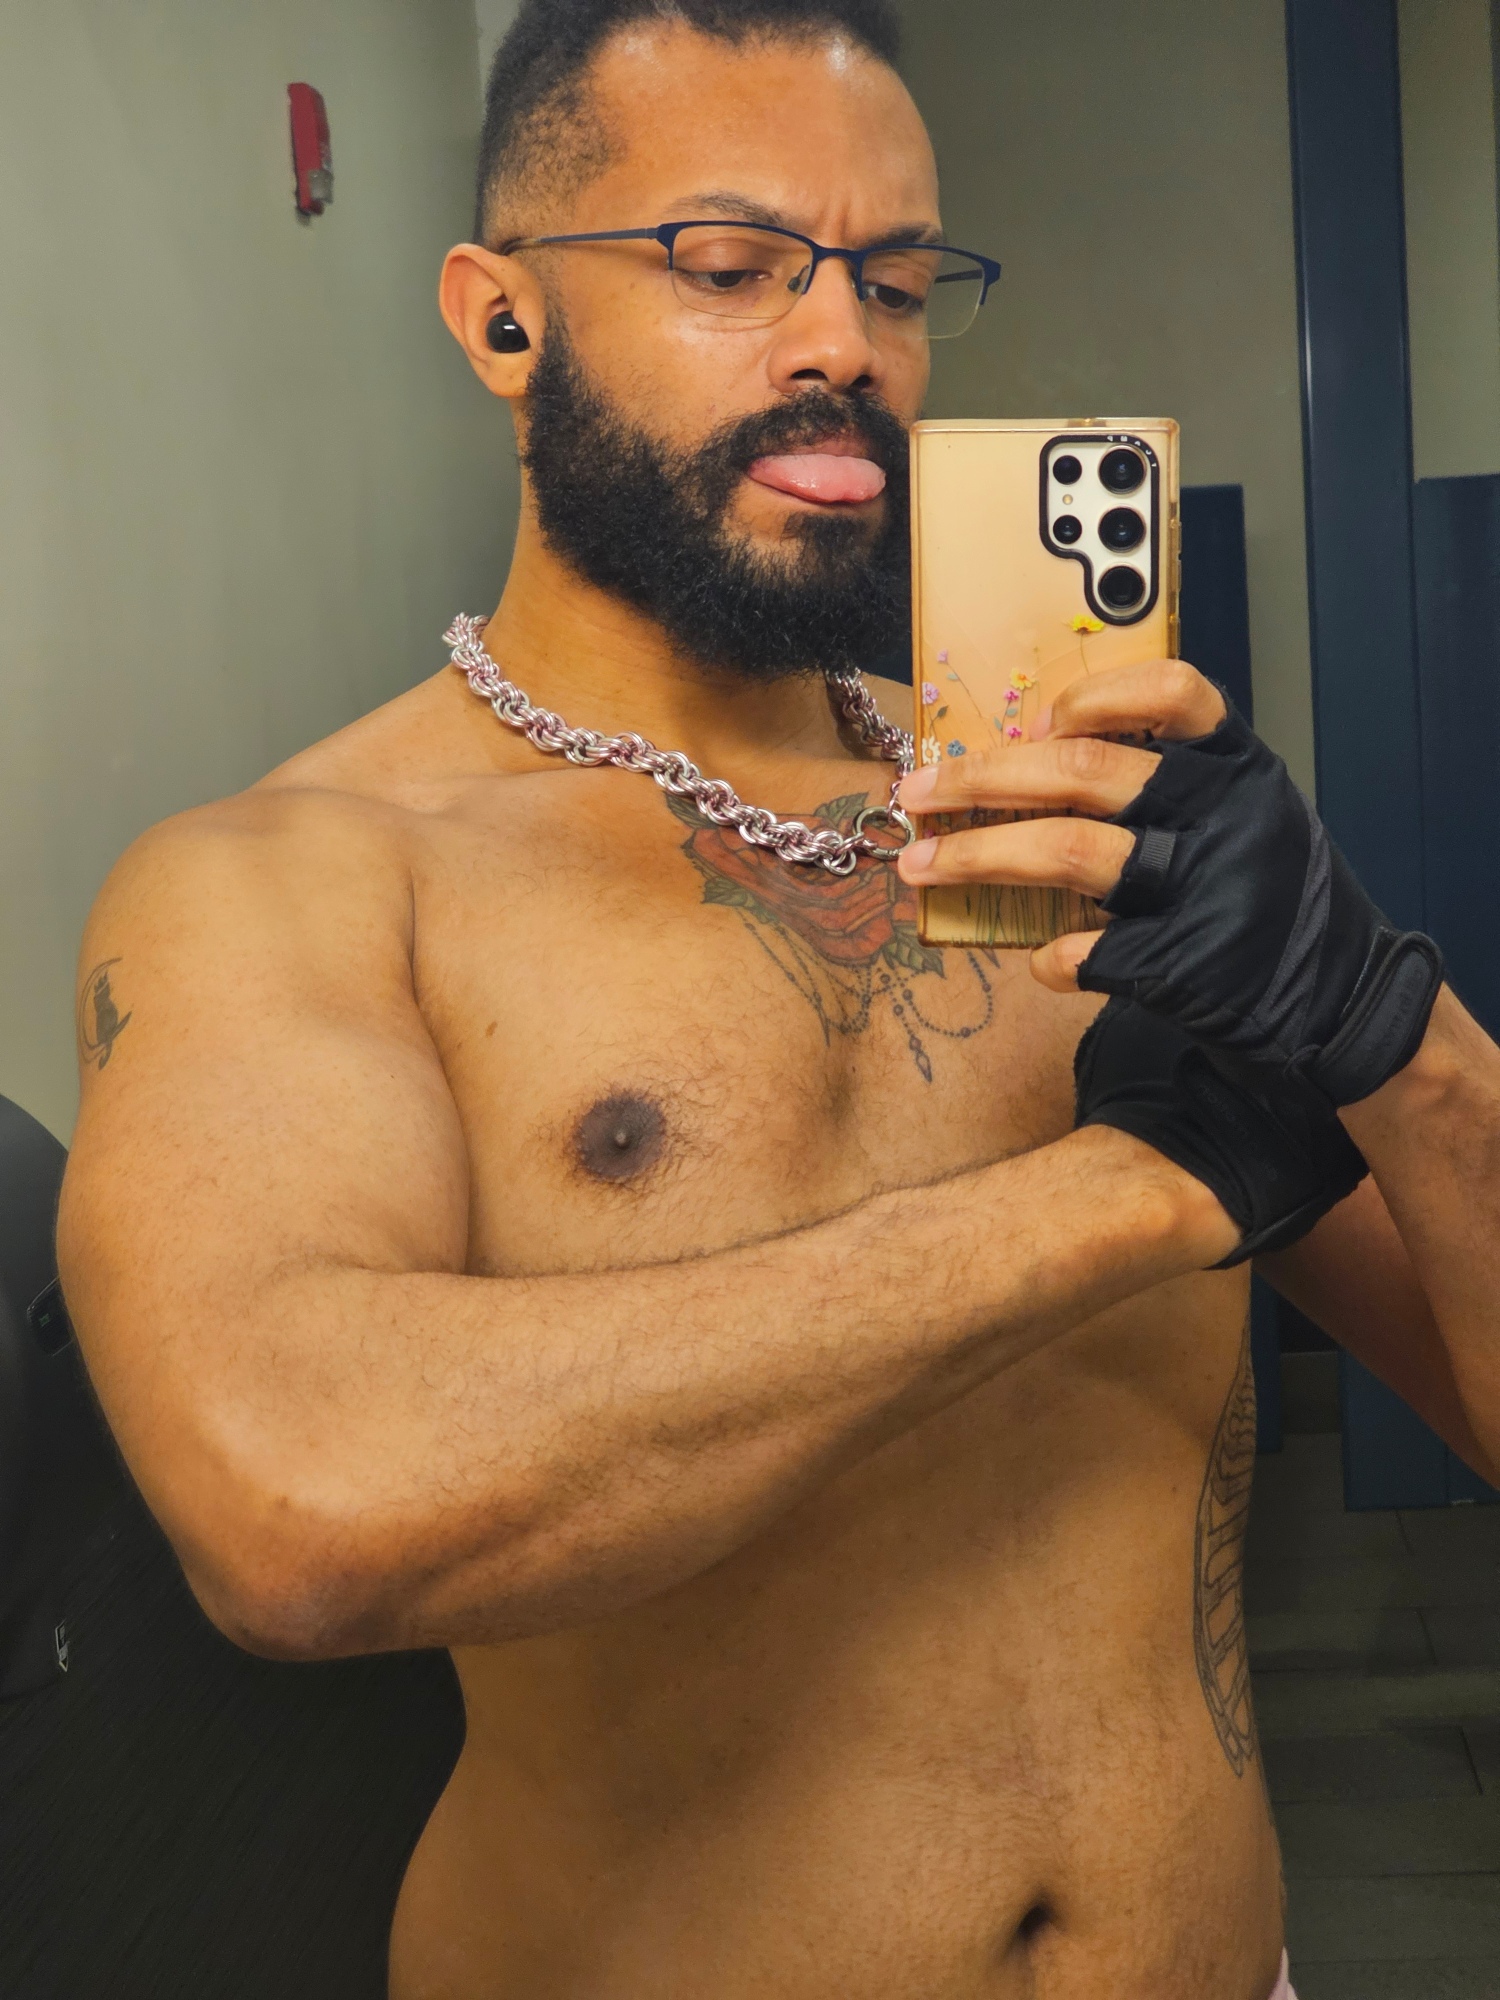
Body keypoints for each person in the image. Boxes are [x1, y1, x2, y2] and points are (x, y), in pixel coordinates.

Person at [52, 3, 1441, 1994]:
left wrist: (1389, 1022)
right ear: (499, 317)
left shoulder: (1060, 809)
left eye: (898, 280)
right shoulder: (289, 881)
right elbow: (297, 1500)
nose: (841, 343)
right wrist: (1138, 1194)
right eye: (729, 265)